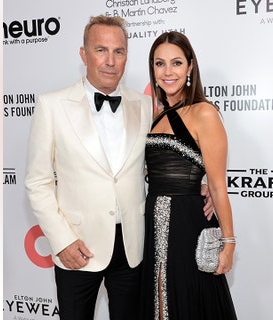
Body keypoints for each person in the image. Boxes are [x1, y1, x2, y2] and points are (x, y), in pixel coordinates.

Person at [25, 16, 213, 320]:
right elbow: (37, 182)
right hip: (77, 247)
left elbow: (163, 157)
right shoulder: (52, 106)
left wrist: (202, 184)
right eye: (101, 50)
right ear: (84, 54)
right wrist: (62, 241)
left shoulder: (143, 105)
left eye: (119, 51)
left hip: (133, 247)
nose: (111, 61)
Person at [139, 31, 238, 320]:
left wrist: (228, 244)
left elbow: (218, 186)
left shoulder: (204, 113)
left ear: (190, 67)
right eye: (160, 64)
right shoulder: (155, 115)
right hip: (153, 222)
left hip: (188, 223)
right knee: (159, 299)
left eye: (176, 63)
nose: (168, 72)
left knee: (190, 302)